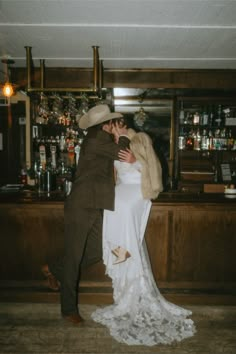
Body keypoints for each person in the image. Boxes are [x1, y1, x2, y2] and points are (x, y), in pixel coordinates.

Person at [91, 123, 196, 346]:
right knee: (115, 227)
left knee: (129, 230)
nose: (112, 128)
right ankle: (122, 282)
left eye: (115, 125)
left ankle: (132, 279)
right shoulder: (110, 144)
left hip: (137, 191)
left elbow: (156, 168)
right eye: (109, 126)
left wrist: (135, 161)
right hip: (118, 193)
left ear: (122, 125)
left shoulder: (140, 138)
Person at [42, 104, 134, 325]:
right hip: (82, 205)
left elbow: (119, 159)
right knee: (74, 258)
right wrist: (123, 136)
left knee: (100, 250)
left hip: (94, 204)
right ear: (107, 124)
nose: (116, 127)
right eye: (113, 123)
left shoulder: (100, 140)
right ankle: (68, 309)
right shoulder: (96, 139)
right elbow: (122, 154)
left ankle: (53, 268)